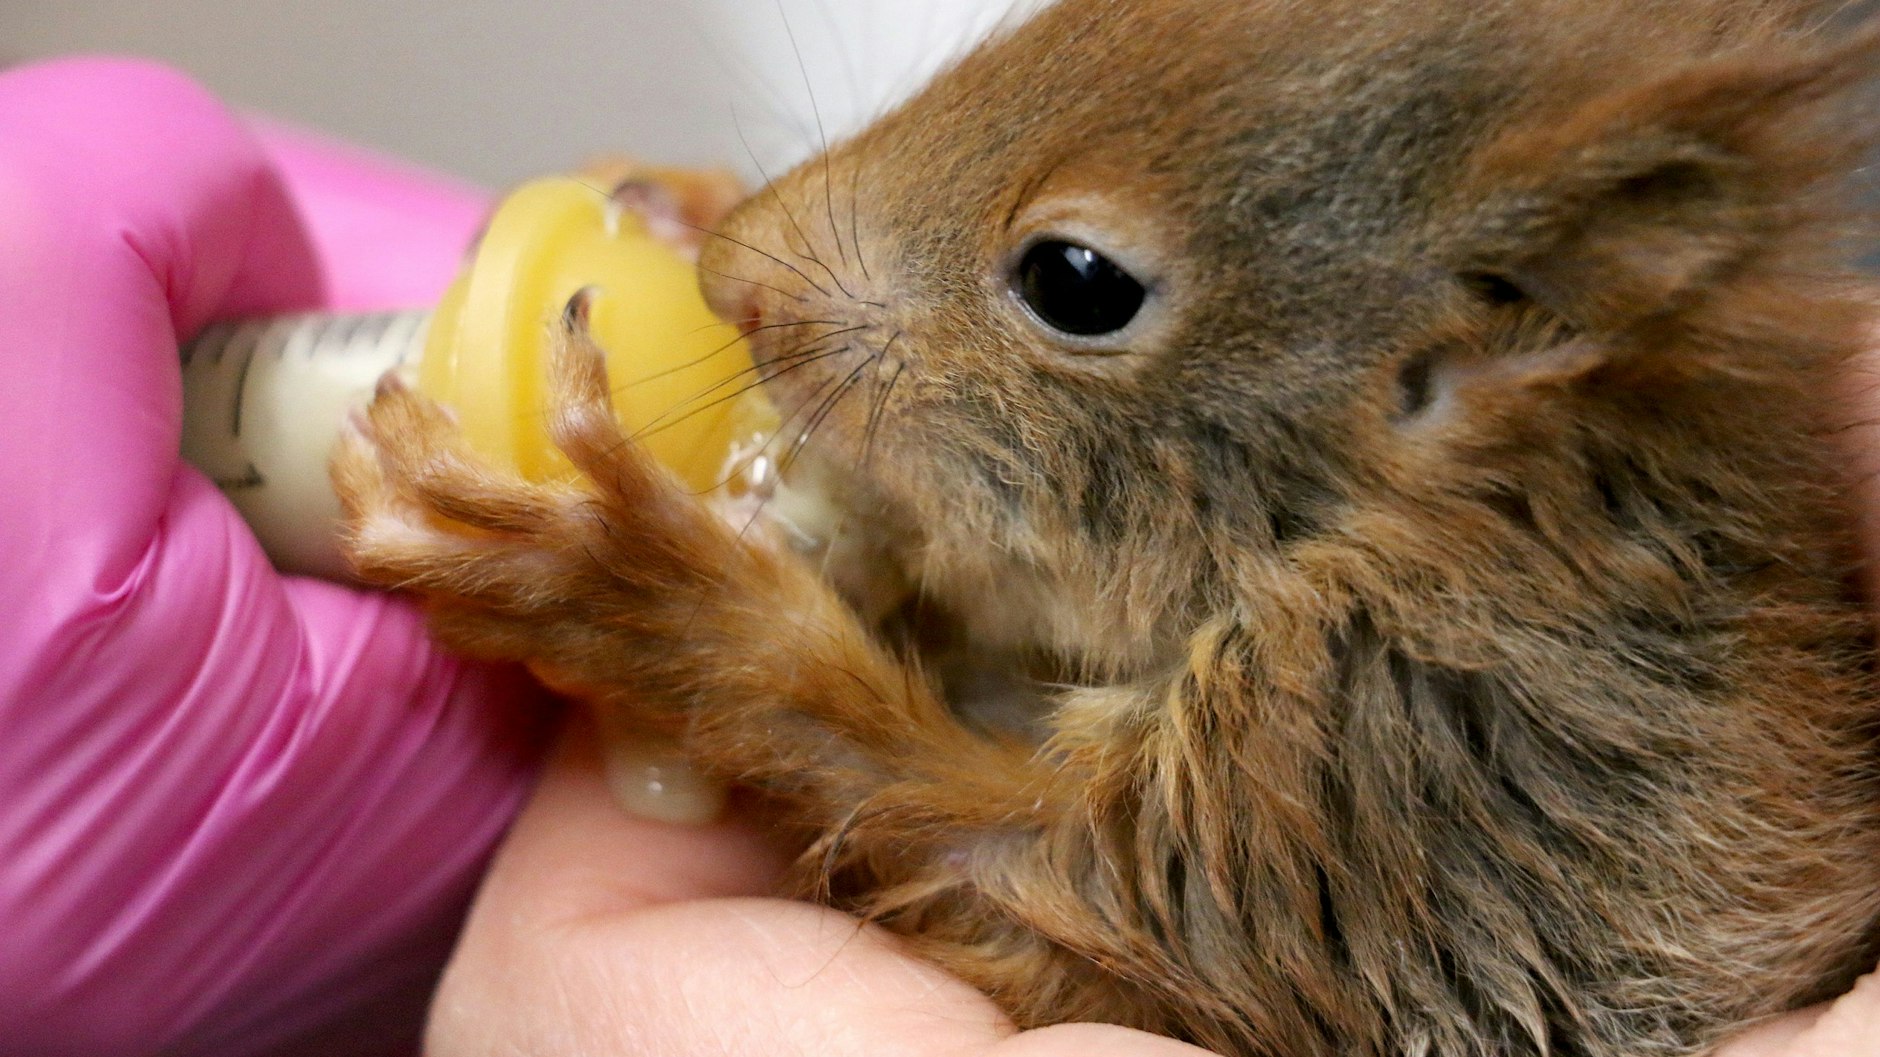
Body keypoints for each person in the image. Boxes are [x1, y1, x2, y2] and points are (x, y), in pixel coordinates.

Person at [0, 57, 1868, 1057]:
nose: (756, 277)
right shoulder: (1268, 537)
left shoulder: (1412, 676)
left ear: (1472, 355)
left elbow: (1078, 914)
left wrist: (723, 646)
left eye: (1069, 287)